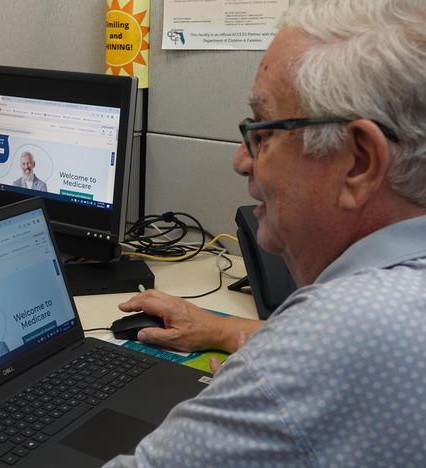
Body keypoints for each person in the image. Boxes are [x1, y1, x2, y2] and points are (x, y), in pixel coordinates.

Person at [105, 0, 426, 465]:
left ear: (359, 161)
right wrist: (222, 329)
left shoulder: (340, 332)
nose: (241, 160)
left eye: (265, 132)